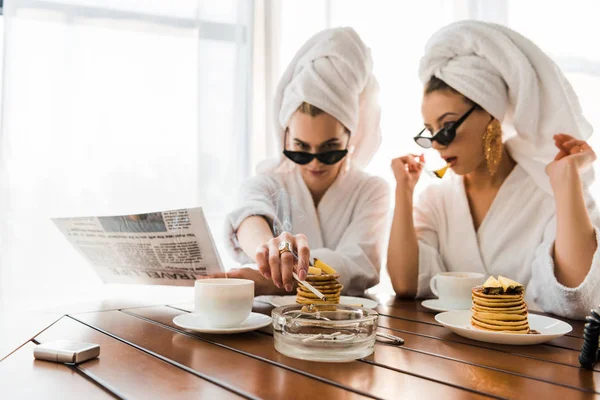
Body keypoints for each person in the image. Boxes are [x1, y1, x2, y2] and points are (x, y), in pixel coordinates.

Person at [387, 20, 600, 319]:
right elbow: (406, 284)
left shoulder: (548, 193)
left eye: (447, 128)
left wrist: (567, 183)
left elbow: (579, 299)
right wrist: (403, 191)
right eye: (429, 132)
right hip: (447, 357)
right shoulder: (437, 200)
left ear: (491, 116)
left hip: (534, 361)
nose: (437, 145)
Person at [218, 27, 389, 296]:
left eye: (330, 150)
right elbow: (249, 216)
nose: (314, 164)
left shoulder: (371, 190)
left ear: (350, 137)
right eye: (300, 149)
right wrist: (271, 253)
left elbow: (360, 264)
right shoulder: (267, 182)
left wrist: (280, 280)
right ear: (285, 137)